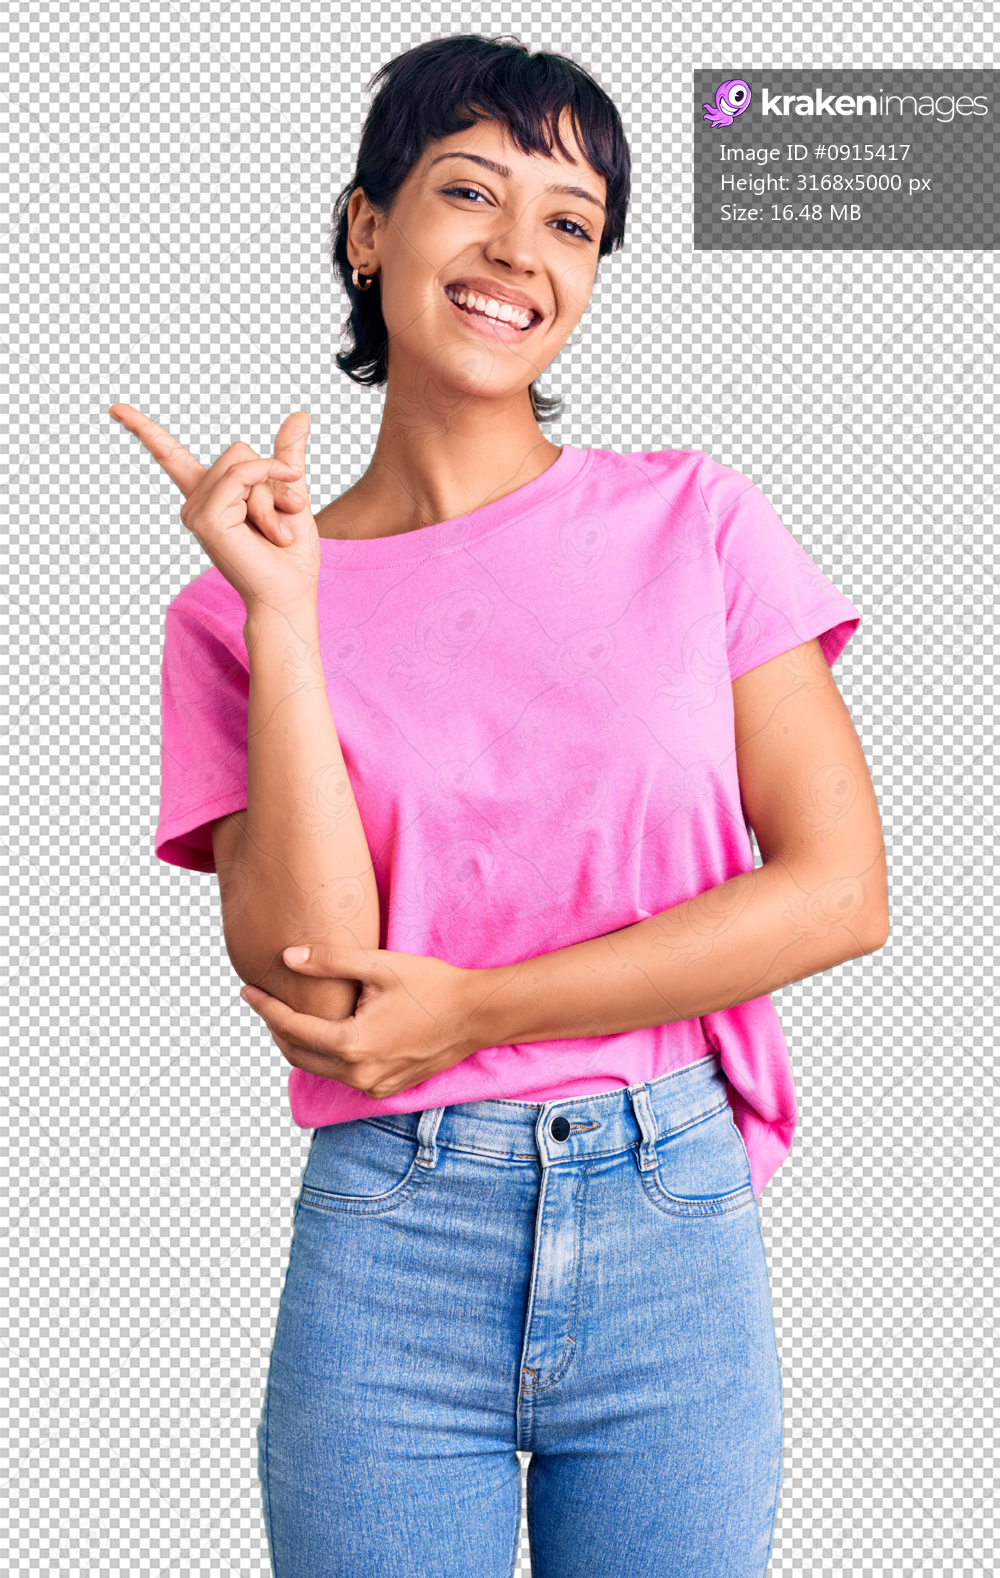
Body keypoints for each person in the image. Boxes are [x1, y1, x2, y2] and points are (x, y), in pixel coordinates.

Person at [111, 34, 889, 1578]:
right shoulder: (235, 614)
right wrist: (282, 613)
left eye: (571, 220)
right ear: (367, 227)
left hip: (671, 1214)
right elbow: (321, 989)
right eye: (470, 191)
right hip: (395, 1241)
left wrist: (477, 1005)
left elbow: (838, 891)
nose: (516, 252)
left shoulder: (697, 519)